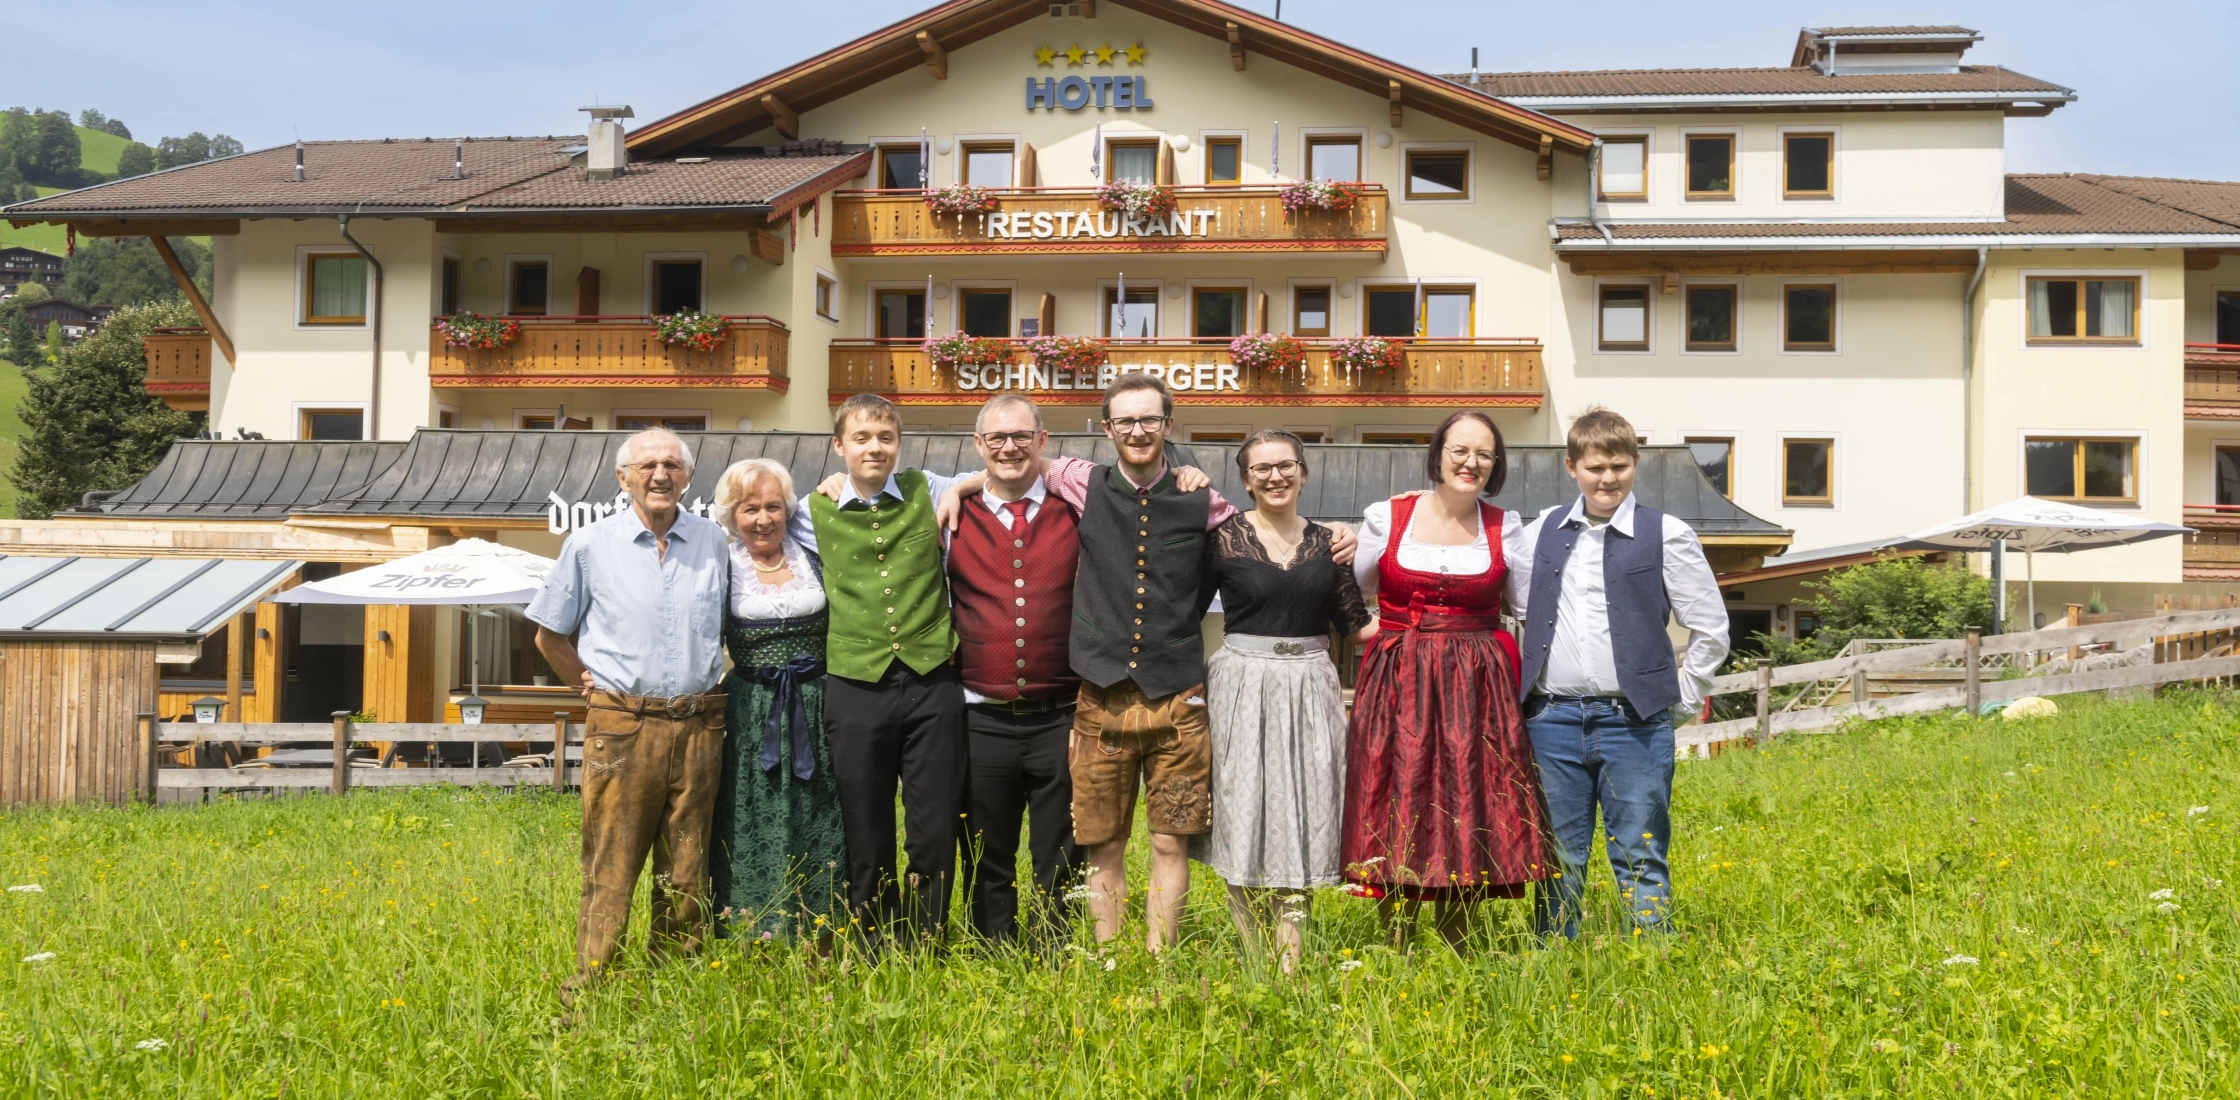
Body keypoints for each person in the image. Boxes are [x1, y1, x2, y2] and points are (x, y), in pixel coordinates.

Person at [1026, 375, 1356, 953]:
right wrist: (962, 487)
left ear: (1168, 425)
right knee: (1102, 842)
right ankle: (1109, 959)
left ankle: (1159, 960)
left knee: (1169, 840)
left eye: (1149, 419)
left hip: (1177, 696)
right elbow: (1015, 463)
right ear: (1107, 428)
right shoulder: (1081, 479)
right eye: (1125, 420)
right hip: (1100, 691)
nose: (1137, 430)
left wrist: (1342, 537)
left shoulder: (1208, 502)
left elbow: (1269, 530)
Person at [1512, 407, 1729, 940]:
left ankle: (1652, 960)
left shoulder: (1667, 533)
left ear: (1635, 463)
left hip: (1635, 721)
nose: (1607, 478)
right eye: (1595, 468)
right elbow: (1507, 591)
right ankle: (1552, 960)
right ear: (1572, 468)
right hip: (1552, 721)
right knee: (1556, 857)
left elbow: (1710, 628)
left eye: (1619, 466)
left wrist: (1680, 701)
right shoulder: (1540, 531)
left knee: (1641, 851)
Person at [528, 428, 730, 1001]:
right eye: (647, 466)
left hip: (700, 725)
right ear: (623, 478)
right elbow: (549, 635)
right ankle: (590, 992)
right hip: (622, 725)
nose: (660, 475)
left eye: (671, 464)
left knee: (687, 869)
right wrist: (586, 686)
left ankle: (674, 992)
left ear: (688, 476)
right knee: (611, 867)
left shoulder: (714, 542)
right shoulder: (590, 545)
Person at [1340, 410, 1547, 952]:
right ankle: (1397, 945)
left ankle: (1459, 945)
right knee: (1395, 795)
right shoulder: (1387, 516)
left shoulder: (1506, 527)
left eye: (1484, 454)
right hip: (1397, 679)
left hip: (1477, 685)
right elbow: (1349, 589)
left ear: (1496, 465)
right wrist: (1367, 630)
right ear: (1438, 454)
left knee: (1465, 797)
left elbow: (1530, 611)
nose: (1471, 462)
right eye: (1460, 450)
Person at [786, 393, 965, 954]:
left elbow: (1005, 470)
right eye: (861, 438)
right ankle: (870, 937)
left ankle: (924, 938)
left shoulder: (927, 487)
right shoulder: (808, 512)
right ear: (838, 446)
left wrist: (961, 489)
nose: (875, 448)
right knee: (864, 821)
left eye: (886, 437)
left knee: (935, 822)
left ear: (899, 443)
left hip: (932, 678)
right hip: (855, 683)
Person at [1195, 430, 1374, 971]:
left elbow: (1357, 627)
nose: (1275, 476)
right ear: (1246, 480)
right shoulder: (1222, 539)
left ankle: (1290, 965)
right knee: (1243, 809)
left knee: (1304, 810)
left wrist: (1432, 616)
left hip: (1311, 685)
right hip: (1241, 683)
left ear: (1303, 472)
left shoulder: (1330, 543)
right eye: (1262, 468)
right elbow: (1184, 614)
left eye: (1286, 465)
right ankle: (1256, 961)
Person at [946, 394, 1084, 949]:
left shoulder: (1076, 509)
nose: (1010, 447)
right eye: (997, 438)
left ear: (1042, 441)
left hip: (1062, 714)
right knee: (985, 849)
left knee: (1062, 850)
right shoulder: (950, 515)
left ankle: (1055, 951)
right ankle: (993, 951)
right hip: (980, 716)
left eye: (1022, 436)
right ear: (978, 445)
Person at [707, 457, 845, 950]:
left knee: (820, 807)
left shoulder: (815, 554)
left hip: (819, 701)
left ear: (788, 510)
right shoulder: (722, 567)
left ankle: (824, 928)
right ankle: (750, 930)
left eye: (773, 507)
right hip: (751, 709)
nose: (763, 519)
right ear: (731, 515)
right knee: (749, 810)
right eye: (750, 509)